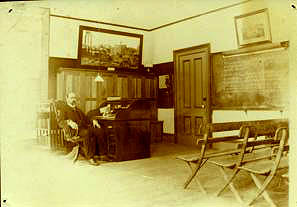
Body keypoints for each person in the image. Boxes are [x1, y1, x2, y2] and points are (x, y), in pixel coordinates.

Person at [57, 92, 102, 165]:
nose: (74, 100)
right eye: (71, 98)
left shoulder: (78, 110)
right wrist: (69, 122)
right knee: (87, 133)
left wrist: (93, 121)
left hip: (82, 129)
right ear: (67, 99)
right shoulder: (64, 109)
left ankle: (100, 154)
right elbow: (60, 122)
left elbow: (86, 119)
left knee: (96, 130)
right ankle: (90, 157)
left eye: (75, 98)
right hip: (73, 131)